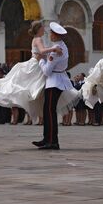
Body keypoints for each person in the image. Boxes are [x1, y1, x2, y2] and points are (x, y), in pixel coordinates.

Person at [0, 21, 74, 124]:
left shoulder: (36, 38)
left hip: (38, 63)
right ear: (39, 29)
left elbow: (43, 54)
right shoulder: (38, 39)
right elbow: (42, 51)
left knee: (35, 87)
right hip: (36, 64)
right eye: (43, 28)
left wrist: (48, 54)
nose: (45, 30)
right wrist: (53, 49)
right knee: (34, 86)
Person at [33, 22, 74, 151]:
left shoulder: (56, 50)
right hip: (57, 80)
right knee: (47, 111)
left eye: (51, 33)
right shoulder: (62, 46)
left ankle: (52, 141)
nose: (49, 35)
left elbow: (46, 71)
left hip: (54, 82)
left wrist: (40, 60)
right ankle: (47, 138)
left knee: (50, 112)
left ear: (55, 35)